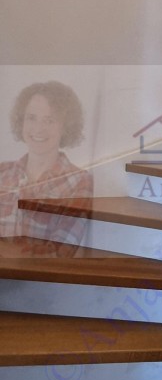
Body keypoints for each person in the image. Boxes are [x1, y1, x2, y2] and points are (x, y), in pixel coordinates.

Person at [0, 81, 93, 256]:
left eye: (49, 120)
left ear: (65, 127)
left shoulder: (79, 181)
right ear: (21, 121)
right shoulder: (2, 172)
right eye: (31, 118)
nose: (38, 129)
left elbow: (58, 253)